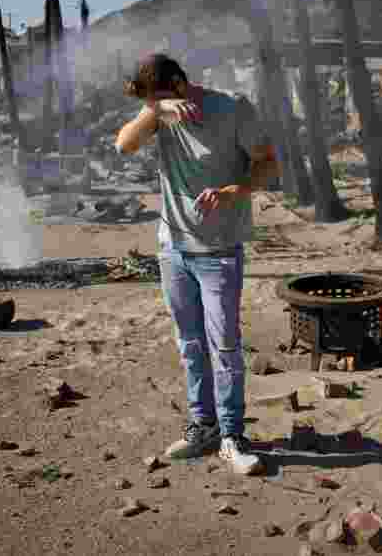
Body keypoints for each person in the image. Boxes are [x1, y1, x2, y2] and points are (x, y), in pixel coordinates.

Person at [114, 53, 280, 476]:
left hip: (219, 249)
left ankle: (231, 435)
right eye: (153, 101)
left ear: (182, 85)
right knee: (189, 344)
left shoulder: (233, 107)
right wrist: (156, 110)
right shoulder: (159, 113)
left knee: (224, 346)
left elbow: (268, 165)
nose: (160, 106)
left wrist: (232, 191)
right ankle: (203, 427)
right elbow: (123, 144)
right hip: (172, 248)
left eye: (164, 97)